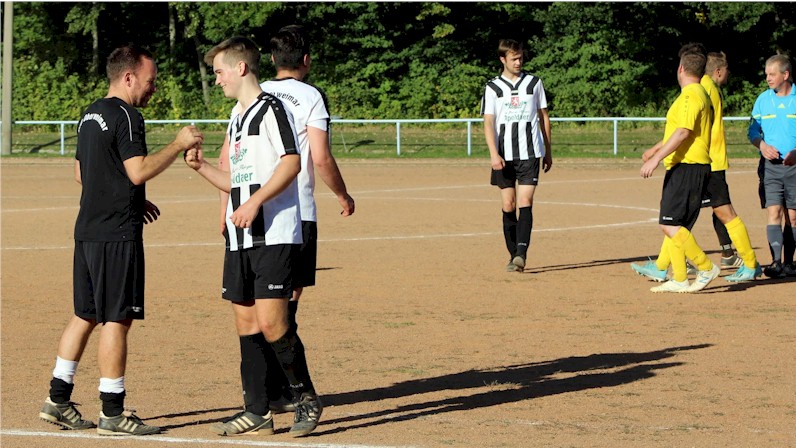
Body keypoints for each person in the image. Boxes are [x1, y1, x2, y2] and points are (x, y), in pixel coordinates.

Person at [39, 44, 204, 436]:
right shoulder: (129, 116)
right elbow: (137, 170)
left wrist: (131, 198)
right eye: (150, 81)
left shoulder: (89, 113)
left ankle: (57, 400)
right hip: (116, 235)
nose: (153, 89)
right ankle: (113, 411)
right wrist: (179, 143)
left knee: (85, 314)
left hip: (88, 231)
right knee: (117, 319)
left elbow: (82, 173)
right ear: (128, 77)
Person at [184, 36, 322, 437]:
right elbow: (236, 182)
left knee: (273, 322)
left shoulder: (272, 109)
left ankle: (306, 398)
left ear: (241, 68)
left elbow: (292, 163)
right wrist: (201, 167)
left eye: (219, 71)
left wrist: (257, 202)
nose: (217, 79)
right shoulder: (236, 116)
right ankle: (257, 410)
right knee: (246, 322)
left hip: (275, 233)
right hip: (239, 235)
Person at [256, 24, 355, 412]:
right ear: (306, 60)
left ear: (272, 59)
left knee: (265, 302)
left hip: (256, 206)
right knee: (286, 304)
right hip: (296, 212)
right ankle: (288, 388)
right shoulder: (311, 95)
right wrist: (342, 194)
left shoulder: (256, 92)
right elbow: (320, 157)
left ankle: (270, 389)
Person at [631, 51, 762, 283]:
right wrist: (655, 149)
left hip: (704, 161)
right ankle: (665, 266)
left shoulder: (701, 89)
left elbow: (688, 129)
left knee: (690, 215)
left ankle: (746, 264)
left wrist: (655, 154)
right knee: (684, 215)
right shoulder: (705, 88)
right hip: (708, 160)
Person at [635, 43, 720, 293]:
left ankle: (705, 267)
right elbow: (681, 130)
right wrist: (655, 149)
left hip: (688, 166)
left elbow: (683, 132)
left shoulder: (690, 95)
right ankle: (680, 278)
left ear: (681, 68)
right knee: (676, 225)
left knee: (669, 224)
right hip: (689, 166)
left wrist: (655, 159)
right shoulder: (699, 94)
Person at [481, 38, 552, 273]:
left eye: (521, 57)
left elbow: (544, 117)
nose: (519, 62)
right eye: (514, 58)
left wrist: (548, 150)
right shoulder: (493, 88)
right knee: (508, 204)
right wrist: (493, 154)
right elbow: (488, 122)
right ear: (503, 59)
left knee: (525, 202)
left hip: (530, 153)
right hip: (503, 155)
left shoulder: (534, 83)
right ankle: (513, 254)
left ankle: (521, 254)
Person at [748, 54, 796, 279]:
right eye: (766, 74)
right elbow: (752, 131)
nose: (767, 78)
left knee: (793, 216)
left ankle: (790, 263)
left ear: (785, 75)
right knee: (774, 212)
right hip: (771, 168)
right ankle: (776, 262)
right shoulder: (763, 100)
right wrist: (762, 144)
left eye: (772, 74)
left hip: (794, 167)